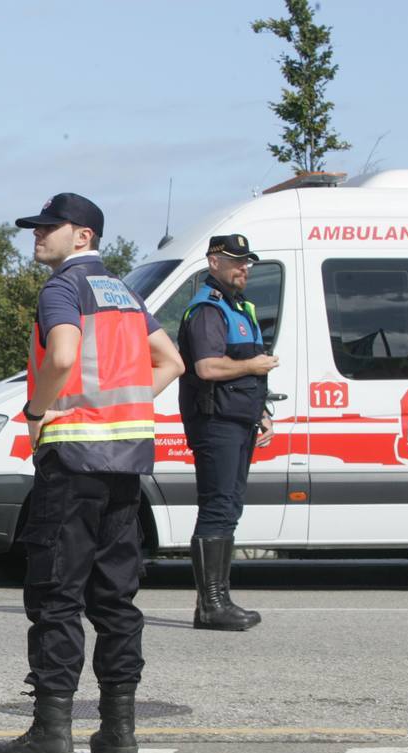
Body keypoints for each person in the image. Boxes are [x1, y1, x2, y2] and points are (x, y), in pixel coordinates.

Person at [0, 193, 184, 753]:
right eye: (36, 227)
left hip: (72, 461)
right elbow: (169, 361)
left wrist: (38, 409)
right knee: (115, 599)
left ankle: (51, 735)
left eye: (50, 227)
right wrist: (121, 405)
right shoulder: (124, 293)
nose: (37, 235)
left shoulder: (62, 289)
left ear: (83, 236)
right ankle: (119, 733)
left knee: (56, 596)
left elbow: (64, 355)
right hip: (126, 465)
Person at [176, 234, 279, 631]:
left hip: (238, 419)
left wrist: (262, 409)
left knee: (230, 506)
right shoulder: (207, 309)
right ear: (213, 262)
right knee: (218, 506)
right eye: (236, 261)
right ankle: (211, 605)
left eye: (247, 262)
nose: (244, 268)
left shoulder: (241, 308)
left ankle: (219, 600)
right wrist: (254, 368)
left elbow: (246, 365)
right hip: (215, 421)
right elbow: (207, 368)